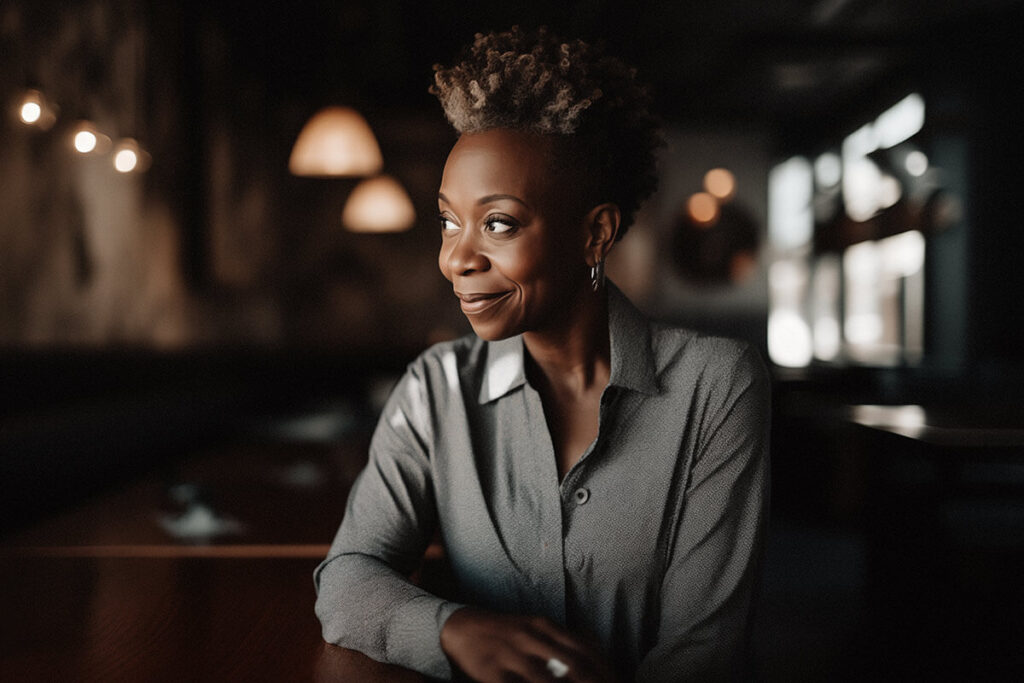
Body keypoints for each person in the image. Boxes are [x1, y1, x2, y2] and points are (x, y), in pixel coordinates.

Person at [315, 26, 770, 682]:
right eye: (449, 221)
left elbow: (705, 651)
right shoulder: (435, 389)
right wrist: (453, 630)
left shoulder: (716, 386)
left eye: (498, 223)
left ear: (595, 234)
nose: (458, 259)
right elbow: (347, 579)